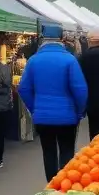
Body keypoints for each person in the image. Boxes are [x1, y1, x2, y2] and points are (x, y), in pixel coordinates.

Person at [18, 25, 89, 183]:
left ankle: (51, 185)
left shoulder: (33, 60)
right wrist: (79, 111)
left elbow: (23, 88)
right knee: (67, 151)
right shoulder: (70, 60)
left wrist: (34, 108)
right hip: (67, 116)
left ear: (42, 39)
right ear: (62, 39)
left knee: (48, 152)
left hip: (43, 117)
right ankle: (64, 186)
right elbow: (80, 89)